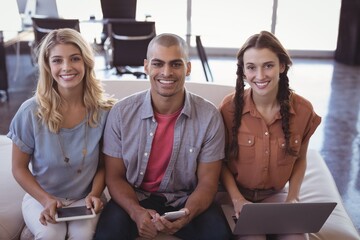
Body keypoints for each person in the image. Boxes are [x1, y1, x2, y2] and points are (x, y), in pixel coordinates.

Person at [94, 33, 231, 240]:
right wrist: (136, 212)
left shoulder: (209, 116)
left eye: (176, 64)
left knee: (220, 236)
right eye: (158, 64)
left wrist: (187, 214)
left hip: (185, 199)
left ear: (188, 68)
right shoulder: (122, 113)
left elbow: (208, 183)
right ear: (147, 66)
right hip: (135, 197)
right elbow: (114, 177)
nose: (166, 73)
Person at [7, 28, 116, 239]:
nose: (67, 67)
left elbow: (104, 166)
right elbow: (18, 168)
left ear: (86, 62)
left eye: (75, 58)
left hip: (85, 198)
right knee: (51, 236)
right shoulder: (30, 112)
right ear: (48, 66)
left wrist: (94, 195)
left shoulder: (105, 111)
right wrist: (46, 200)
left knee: (84, 236)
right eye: (57, 60)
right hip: (42, 197)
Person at [219, 31, 321, 240]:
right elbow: (218, 162)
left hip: (275, 196)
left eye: (268, 65)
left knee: (298, 238)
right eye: (251, 67)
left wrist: (293, 198)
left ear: (282, 66)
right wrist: (238, 200)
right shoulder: (228, 108)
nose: (260, 75)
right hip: (234, 196)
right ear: (243, 71)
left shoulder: (303, 110)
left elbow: (300, 158)